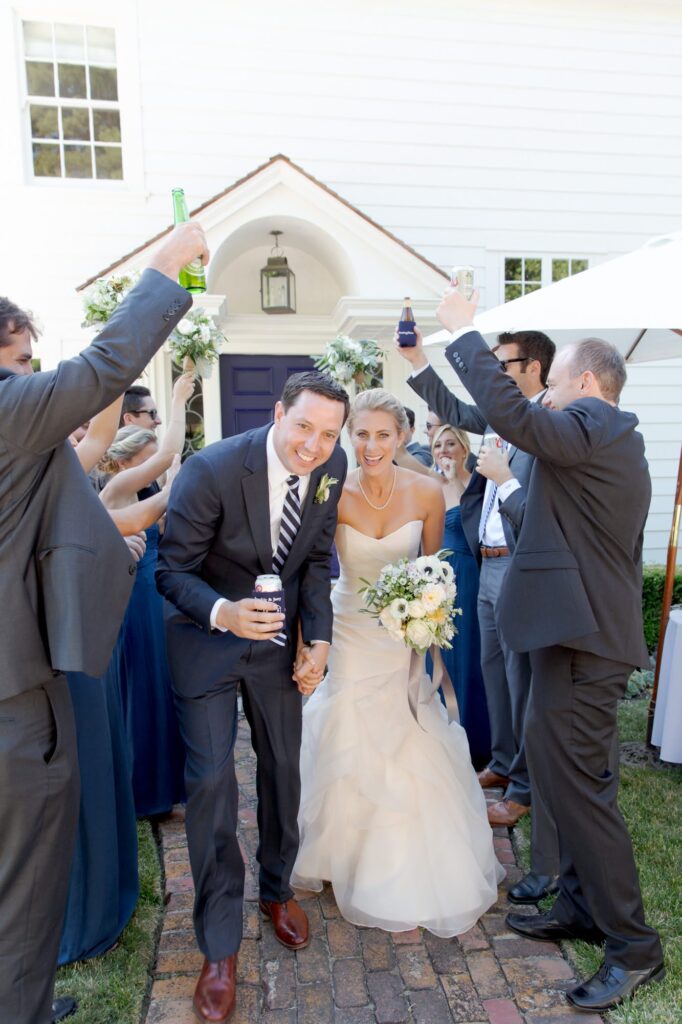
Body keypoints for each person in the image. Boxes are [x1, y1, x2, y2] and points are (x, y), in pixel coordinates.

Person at [0, 219, 206, 1024]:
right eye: (16, 364)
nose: (26, 379)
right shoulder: (9, 414)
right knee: (25, 886)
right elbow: (103, 368)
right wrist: (165, 267)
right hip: (16, 693)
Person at [436, 288, 665, 1012]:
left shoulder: (595, 420)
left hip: (586, 643)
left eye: (555, 383)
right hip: (568, 634)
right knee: (561, 778)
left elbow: (511, 415)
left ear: (586, 384)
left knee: (585, 797)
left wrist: (464, 332)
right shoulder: (600, 439)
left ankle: (633, 945)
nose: (548, 398)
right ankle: (580, 904)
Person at [156, 371, 349, 1024]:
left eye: (328, 434)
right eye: (303, 427)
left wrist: (317, 638)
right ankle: (217, 943)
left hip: (275, 647)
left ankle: (276, 888)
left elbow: (317, 559)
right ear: (277, 414)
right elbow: (170, 569)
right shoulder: (211, 470)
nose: (314, 446)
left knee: (284, 770)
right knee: (211, 783)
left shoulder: (332, 465)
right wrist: (222, 612)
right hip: (206, 639)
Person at [291, 389, 503, 936]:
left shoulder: (428, 492)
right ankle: (344, 854)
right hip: (348, 631)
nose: (371, 445)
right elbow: (312, 570)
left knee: (409, 734)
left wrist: (425, 618)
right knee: (346, 731)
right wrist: (308, 640)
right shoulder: (330, 492)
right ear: (349, 435)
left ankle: (398, 862)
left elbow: (436, 571)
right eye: (361, 433)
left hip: (402, 640)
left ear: (402, 438)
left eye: (383, 435)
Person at [397, 326, 560, 905]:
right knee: (495, 672)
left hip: (520, 562)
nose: (492, 375)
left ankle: (520, 790)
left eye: (502, 364)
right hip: (487, 562)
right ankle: (503, 760)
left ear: (533, 368)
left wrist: (503, 477)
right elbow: (455, 408)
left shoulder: (543, 423)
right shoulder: (501, 416)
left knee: (518, 677)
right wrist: (417, 362)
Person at [100, 406, 193, 818]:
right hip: (135, 597)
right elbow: (167, 475)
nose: (155, 466)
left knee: (162, 685)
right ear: (125, 462)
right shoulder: (117, 487)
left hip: (158, 591)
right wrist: (180, 394)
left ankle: (165, 786)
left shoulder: (146, 486)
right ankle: (144, 791)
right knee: (145, 685)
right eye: (147, 459)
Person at [430, 424, 491, 766]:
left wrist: (454, 480)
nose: (444, 450)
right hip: (436, 580)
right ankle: (440, 734)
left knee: (469, 656)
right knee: (440, 657)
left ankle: (475, 740)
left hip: (467, 576)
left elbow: (472, 529)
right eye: (438, 444)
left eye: (451, 443)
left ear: (464, 447)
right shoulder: (428, 485)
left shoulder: (476, 486)